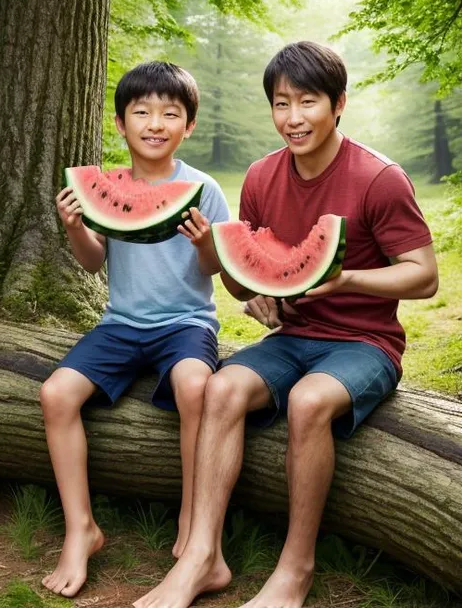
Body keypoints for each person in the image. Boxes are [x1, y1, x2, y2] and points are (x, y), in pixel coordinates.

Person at [135, 41, 438, 608]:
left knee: (306, 402)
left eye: (307, 102)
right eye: (281, 104)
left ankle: (295, 568)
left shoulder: (379, 178)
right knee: (221, 387)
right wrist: (255, 299)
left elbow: (424, 277)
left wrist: (347, 280)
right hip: (291, 337)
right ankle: (203, 557)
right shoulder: (261, 176)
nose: (293, 119)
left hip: (364, 343)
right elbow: (243, 281)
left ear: (338, 103)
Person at [39, 61, 229, 598]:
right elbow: (93, 263)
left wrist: (204, 243)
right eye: (141, 111)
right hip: (121, 324)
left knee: (196, 387)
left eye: (170, 113)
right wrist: (76, 227)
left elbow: (217, 269)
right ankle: (82, 528)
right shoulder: (107, 186)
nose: (155, 122)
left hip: (187, 323)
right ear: (121, 123)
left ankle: (194, 521)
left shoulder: (203, 187)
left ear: (187, 125)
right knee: (55, 395)